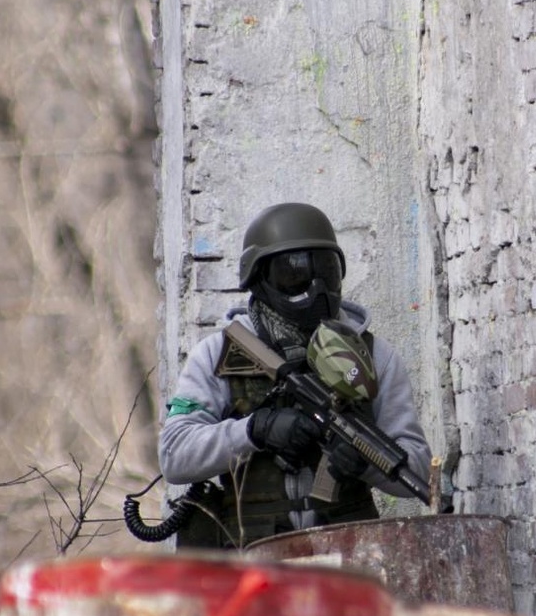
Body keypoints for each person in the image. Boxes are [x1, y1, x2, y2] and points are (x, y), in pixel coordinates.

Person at [159, 202, 432, 548]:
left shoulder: (374, 357)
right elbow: (174, 455)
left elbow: (419, 469)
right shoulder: (219, 356)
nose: (315, 289)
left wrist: (366, 464)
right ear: (258, 279)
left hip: (347, 555)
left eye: (326, 272)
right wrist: (255, 430)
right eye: (294, 273)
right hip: (251, 556)